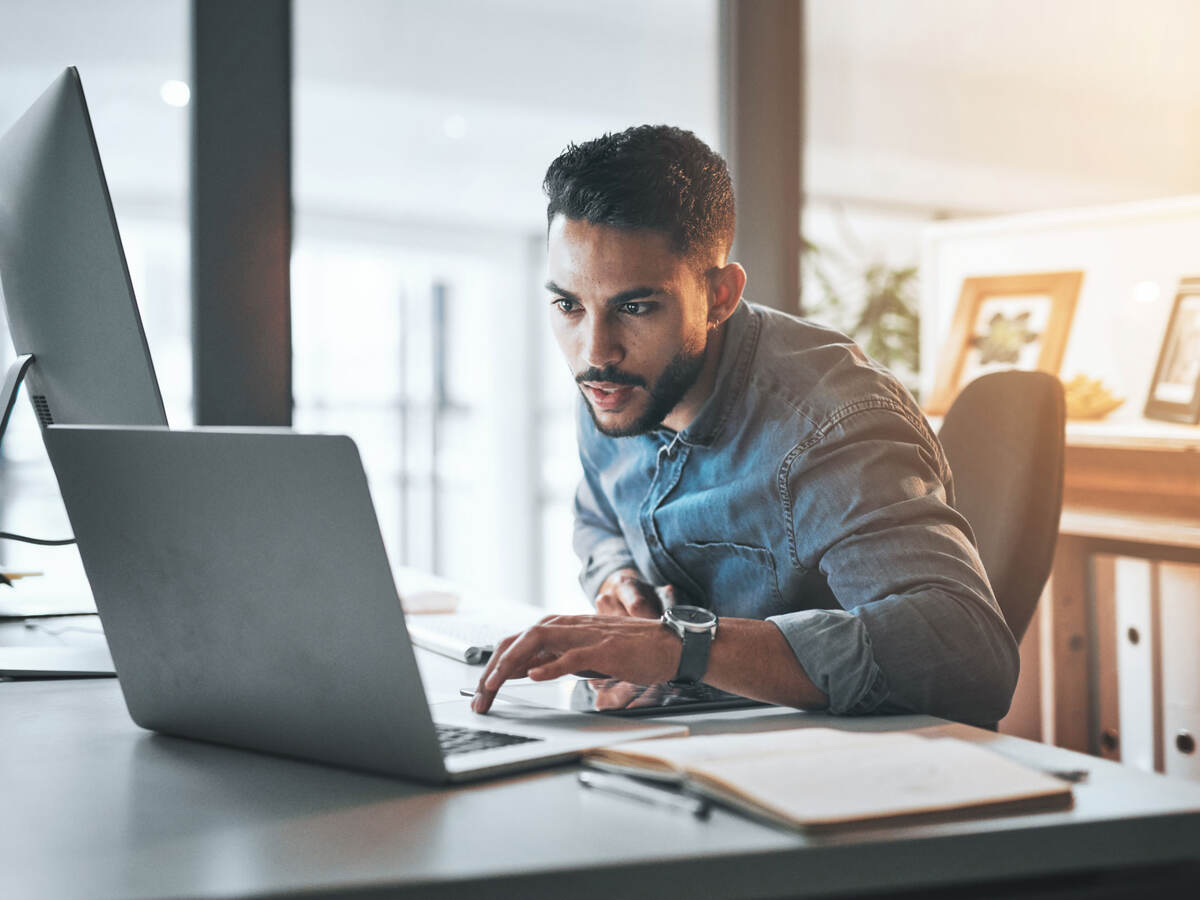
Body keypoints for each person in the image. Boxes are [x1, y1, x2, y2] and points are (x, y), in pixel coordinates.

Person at [472, 125, 1018, 726]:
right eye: (568, 305)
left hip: (848, 768)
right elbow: (598, 516)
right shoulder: (614, 382)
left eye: (635, 307)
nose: (594, 349)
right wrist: (621, 584)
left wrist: (681, 647)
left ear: (720, 296)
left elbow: (970, 658)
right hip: (683, 743)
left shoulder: (832, 424)